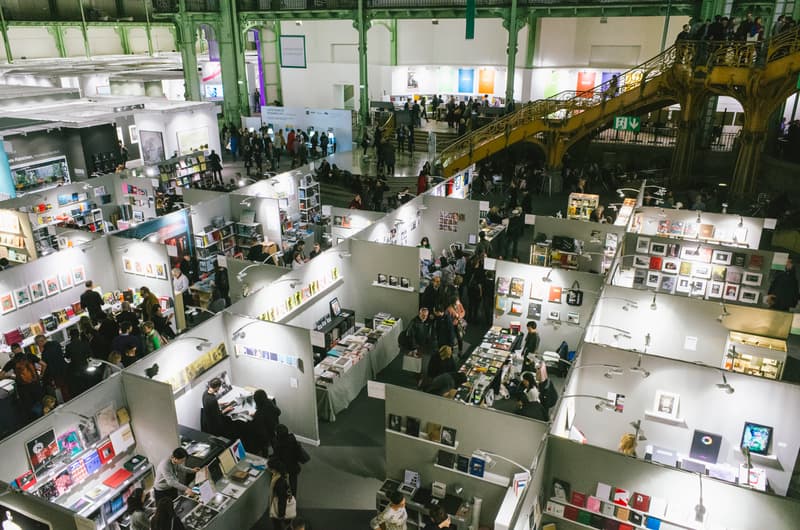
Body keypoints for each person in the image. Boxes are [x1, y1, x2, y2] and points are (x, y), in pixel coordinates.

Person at [0, 343, 45, 422]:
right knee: (41, 405)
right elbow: (44, 364)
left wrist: (11, 377)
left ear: (12, 351)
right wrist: (41, 375)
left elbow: (1, 376)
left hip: (23, 390)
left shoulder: (11, 362)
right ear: (20, 348)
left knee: (30, 410)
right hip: (36, 386)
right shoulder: (30, 356)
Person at [273, 424, 309, 497]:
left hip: (284, 467)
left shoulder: (278, 444)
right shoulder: (292, 439)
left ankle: (285, 496)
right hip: (294, 466)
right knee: (293, 482)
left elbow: (277, 457)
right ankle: (293, 496)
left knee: (283, 483)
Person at [244, 389, 281, 456]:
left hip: (265, 434)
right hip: (274, 427)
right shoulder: (269, 402)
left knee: (265, 447)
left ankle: (265, 457)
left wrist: (254, 416)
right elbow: (278, 412)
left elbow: (257, 427)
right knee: (274, 443)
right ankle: (277, 454)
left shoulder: (259, 414)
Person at [36, 334, 71, 402]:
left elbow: (46, 365)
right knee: (68, 386)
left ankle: (68, 402)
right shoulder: (56, 343)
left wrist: (43, 375)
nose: (38, 346)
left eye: (38, 344)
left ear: (41, 341)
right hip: (64, 368)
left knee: (63, 390)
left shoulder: (45, 353)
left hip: (56, 374)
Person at [269, 458, 295, 530]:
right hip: (284, 507)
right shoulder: (283, 475)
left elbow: (282, 499)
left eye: (270, 469)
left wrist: (281, 514)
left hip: (280, 509)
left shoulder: (279, 483)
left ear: (274, 469)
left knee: (278, 526)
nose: (269, 470)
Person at [64, 328, 90, 395]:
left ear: (70, 336)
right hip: (85, 366)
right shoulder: (84, 343)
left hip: (75, 368)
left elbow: (67, 357)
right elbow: (89, 354)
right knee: (87, 381)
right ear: (78, 335)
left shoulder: (68, 346)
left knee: (80, 385)